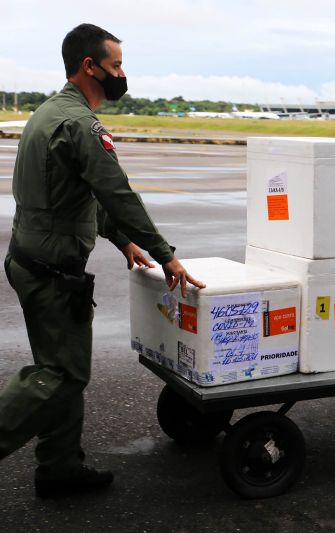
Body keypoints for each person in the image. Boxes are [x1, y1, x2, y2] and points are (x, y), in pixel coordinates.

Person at [0, 23, 205, 497]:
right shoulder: (82, 125)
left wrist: (121, 239)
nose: (122, 74)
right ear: (89, 67)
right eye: (116, 65)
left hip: (30, 261)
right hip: (51, 272)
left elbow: (77, 194)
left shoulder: (49, 113)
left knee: (60, 369)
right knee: (62, 374)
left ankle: (59, 468)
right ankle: (57, 466)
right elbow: (116, 193)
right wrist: (165, 255)